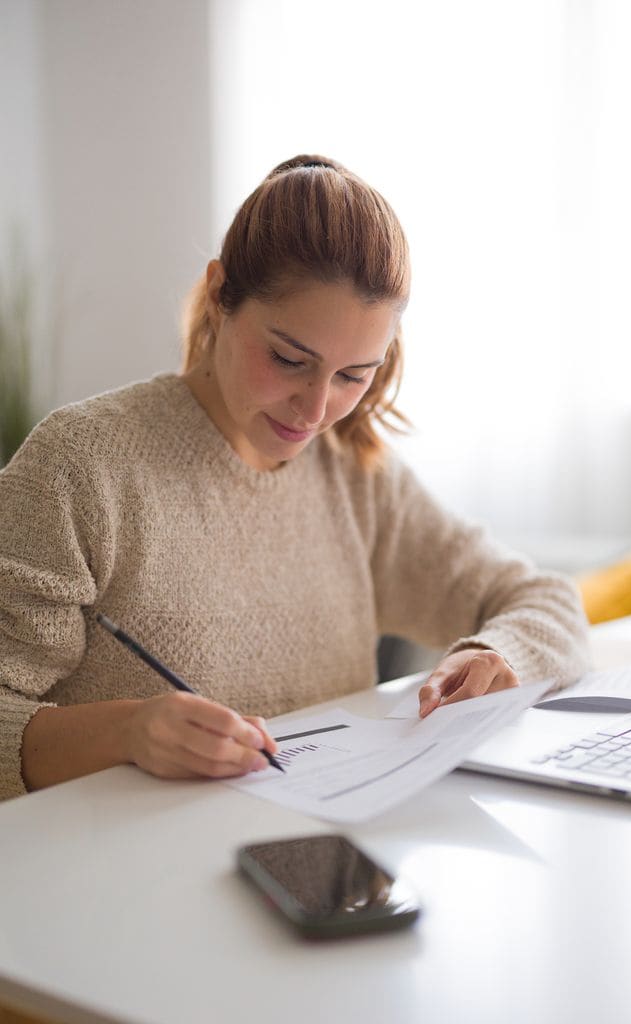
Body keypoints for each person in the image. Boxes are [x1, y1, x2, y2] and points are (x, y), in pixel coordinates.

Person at [0, 154, 589, 801]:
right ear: (222, 294)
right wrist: (130, 732)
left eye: (353, 376)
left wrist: (497, 658)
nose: (315, 412)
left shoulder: (355, 475)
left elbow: (547, 602)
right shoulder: (81, 465)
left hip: (321, 857)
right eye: (289, 359)